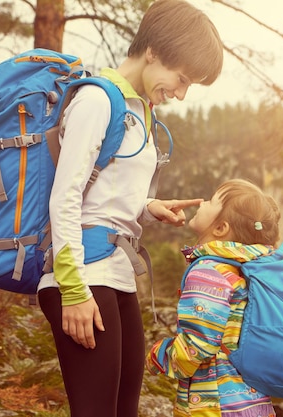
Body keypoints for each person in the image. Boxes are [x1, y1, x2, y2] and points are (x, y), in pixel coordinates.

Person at [37, 1, 224, 416]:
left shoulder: (137, 111)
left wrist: (147, 206)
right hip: (82, 276)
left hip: (116, 276)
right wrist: (72, 289)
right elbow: (64, 196)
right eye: (182, 79)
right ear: (153, 51)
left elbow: (101, 194)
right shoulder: (97, 101)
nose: (180, 93)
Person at [146, 179, 280, 417]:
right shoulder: (247, 268)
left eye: (212, 200)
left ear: (220, 229)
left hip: (215, 402)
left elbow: (198, 343)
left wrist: (159, 356)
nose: (203, 202)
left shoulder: (209, 271)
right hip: (250, 398)